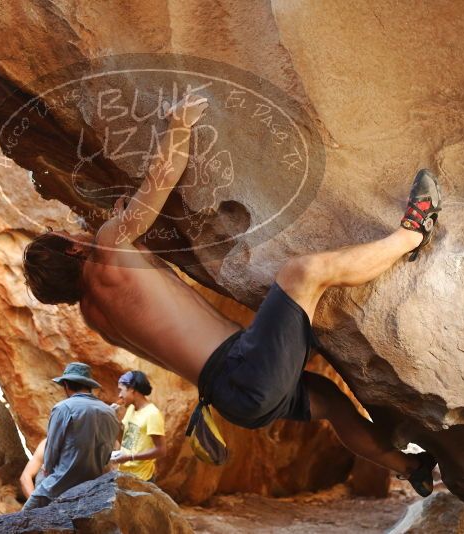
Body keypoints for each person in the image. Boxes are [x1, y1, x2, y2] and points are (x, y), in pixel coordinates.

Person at [22, 93, 442, 497]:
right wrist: (178, 126)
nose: (75, 229)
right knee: (303, 273)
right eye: (66, 233)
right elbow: (161, 179)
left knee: (330, 401)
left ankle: (411, 469)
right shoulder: (106, 244)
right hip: (244, 368)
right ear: (74, 248)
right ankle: (412, 233)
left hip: (231, 400)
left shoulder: (96, 318)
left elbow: (153, 313)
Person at [21, 362, 121, 511]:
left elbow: (53, 448)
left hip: (59, 486)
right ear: (89, 386)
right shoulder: (110, 412)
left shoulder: (63, 408)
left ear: (66, 385)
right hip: (94, 487)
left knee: (24, 519)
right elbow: (108, 454)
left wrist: (48, 468)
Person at [110, 371, 166, 482]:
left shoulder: (152, 414)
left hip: (142, 478)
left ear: (132, 389)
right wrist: (112, 418)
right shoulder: (131, 409)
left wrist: (130, 457)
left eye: (121, 390)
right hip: (125, 474)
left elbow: (161, 450)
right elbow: (124, 441)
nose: (119, 395)